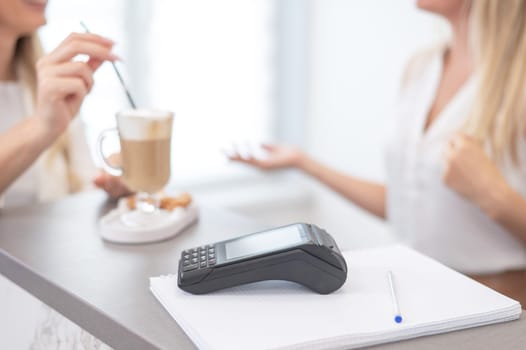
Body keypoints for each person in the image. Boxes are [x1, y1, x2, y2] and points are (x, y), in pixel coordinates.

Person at [230, 0, 526, 305]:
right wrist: (302, 163)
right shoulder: (422, 68)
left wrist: (493, 194)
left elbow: (483, 196)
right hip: (415, 294)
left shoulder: (518, 81)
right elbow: (405, 205)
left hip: (496, 304)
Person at [0, 0, 128, 347]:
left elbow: (79, 185)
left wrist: (113, 185)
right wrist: (40, 127)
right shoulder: (46, 103)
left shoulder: (47, 80)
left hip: (48, 307)